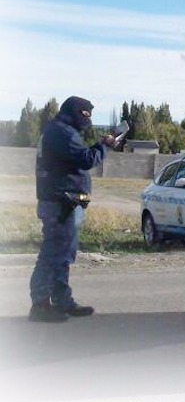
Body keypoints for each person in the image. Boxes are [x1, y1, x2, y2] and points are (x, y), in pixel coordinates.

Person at [29, 96, 118, 322]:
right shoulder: (62, 132)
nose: (88, 119)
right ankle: (40, 304)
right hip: (60, 202)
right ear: (75, 112)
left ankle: (62, 301)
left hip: (64, 201)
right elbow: (86, 159)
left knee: (63, 255)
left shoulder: (60, 130)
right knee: (53, 254)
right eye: (85, 114)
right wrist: (105, 145)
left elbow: (76, 159)